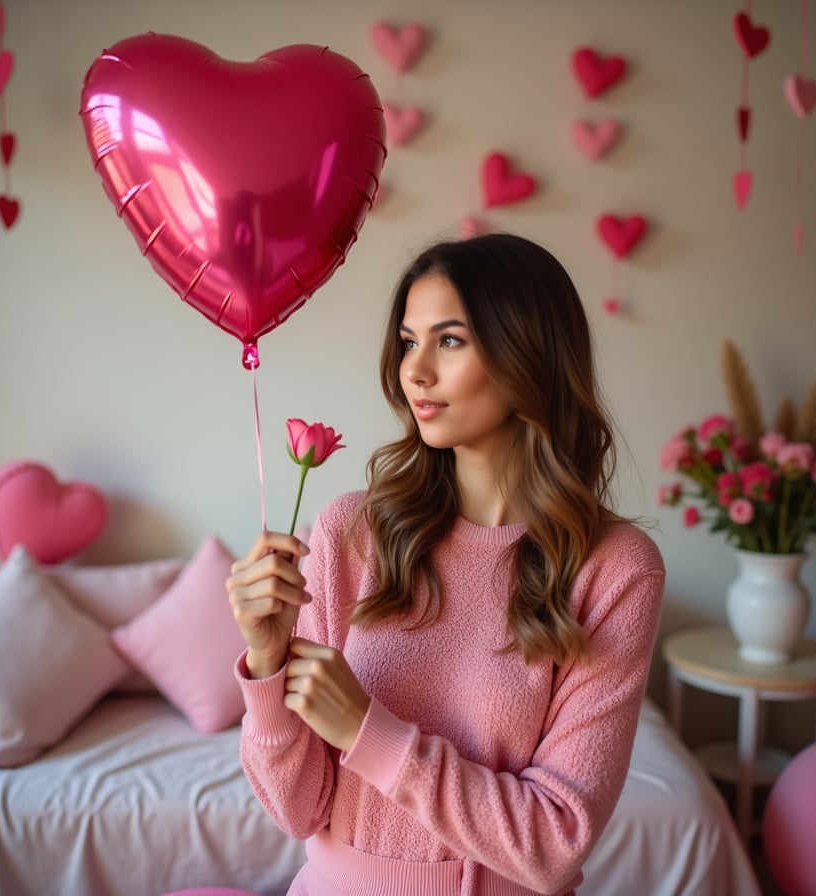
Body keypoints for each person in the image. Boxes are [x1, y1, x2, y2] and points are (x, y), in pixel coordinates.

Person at [227, 232, 665, 895]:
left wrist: (368, 732)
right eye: (408, 341)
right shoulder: (353, 531)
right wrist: (266, 665)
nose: (415, 372)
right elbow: (296, 811)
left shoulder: (615, 569)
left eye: (449, 340)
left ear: (530, 354)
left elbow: (554, 846)